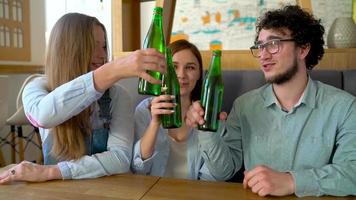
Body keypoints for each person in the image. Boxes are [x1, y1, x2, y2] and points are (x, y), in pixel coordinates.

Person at [185, 5, 356, 197]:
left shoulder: (344, 107)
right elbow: (222, 171)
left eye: (274, 44)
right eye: (260, 46)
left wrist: (292, 181)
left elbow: (352, 173)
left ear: (303, 48)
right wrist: (206, 129)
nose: (264, 55)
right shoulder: (244, 106)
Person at [0, 13, 166, 183]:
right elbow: (43, 116)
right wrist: (113, 69)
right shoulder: (38, 87)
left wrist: (52, 172)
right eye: (93, 46)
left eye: (104, 47)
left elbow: (120, 158)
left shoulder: (118, 96)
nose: (102, 55)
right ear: (67, 49)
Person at [132, 39, 238, 180]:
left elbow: (219, 175)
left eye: (190, 67)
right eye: (174, 67)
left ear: (200, 74)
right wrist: (155, 123)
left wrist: (205, 129)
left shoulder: (209, 114)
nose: (181, 75)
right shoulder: (145, 110)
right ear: (163, 70)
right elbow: (139, 169)